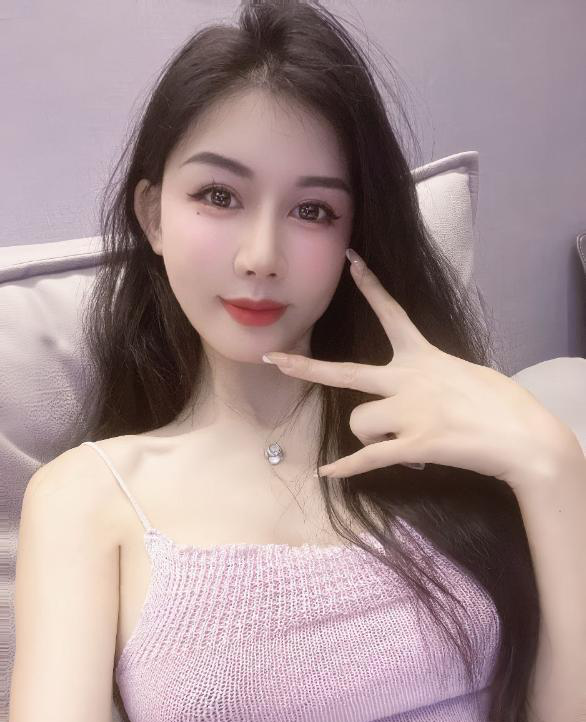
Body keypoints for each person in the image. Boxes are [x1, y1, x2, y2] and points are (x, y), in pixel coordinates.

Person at [10, 2, 540, 721]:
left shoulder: (451, 442)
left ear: (356, 232)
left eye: (312, 210)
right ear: (154, 215)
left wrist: (551, 466)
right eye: (219, 196)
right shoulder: (86, 499)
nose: (261, 257)